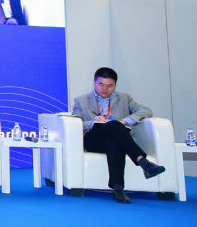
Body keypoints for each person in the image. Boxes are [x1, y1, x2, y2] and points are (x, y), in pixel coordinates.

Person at [70, 67, 165, 204]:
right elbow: (77, 123)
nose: (105, 89)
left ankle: (118, 189)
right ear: (94, 83)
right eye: (101, 84)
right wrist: (93, 123)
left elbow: (146, 111)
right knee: (114, 127)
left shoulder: (125, 98)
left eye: (110, 86)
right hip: (94, 138)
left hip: (118, 137)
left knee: (114, 137)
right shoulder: (81, 100)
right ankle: (143, 162)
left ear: (115, 85)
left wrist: (125, 121)